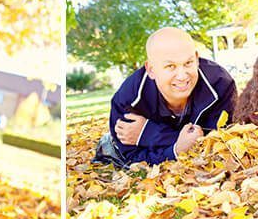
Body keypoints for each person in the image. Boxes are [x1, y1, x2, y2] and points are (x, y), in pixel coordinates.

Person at [94, 27, 236, 167]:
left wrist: (149, 134)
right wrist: (175, 151)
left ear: (197, 59)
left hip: (159, 135)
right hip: (130, 144)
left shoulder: (220, 85)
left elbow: (219, 144)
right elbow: (133, 159)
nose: (182, 76)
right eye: (170, 66)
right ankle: (109, 142)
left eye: (188, 63)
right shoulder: (129, 99)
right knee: (117, 152)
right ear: (151, 70)